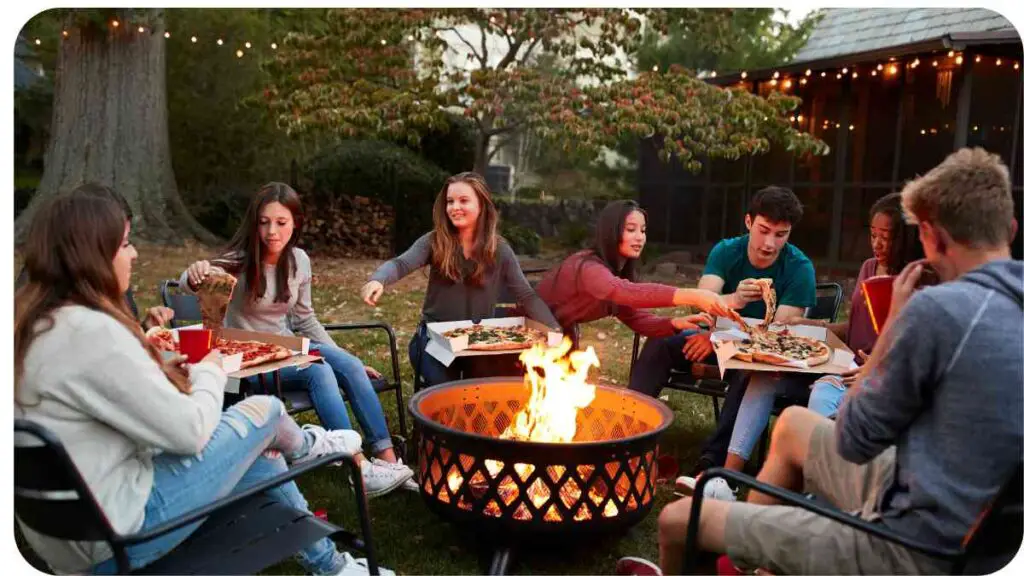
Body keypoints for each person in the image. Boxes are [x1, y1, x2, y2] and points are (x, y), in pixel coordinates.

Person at [623, 147, 1023, 576]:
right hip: (968, 523)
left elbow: (852, 441)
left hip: (908, 539)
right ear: (1011, 228)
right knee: (794, 424)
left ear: (932, 236)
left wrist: (893, 328)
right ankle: (744, 563)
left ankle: (732, 545)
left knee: (676, 520)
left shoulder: (938, 311)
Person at [15, 186, 391, 575]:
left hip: (70, 534)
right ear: (91, 254)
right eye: (125, 243)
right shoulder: (92, 330)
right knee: (265, 412)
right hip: (120, 535)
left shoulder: (33, 325)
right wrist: (211, 367)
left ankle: (333, 565)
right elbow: (191, 432)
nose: (134, 254)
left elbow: (110, 403)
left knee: (263, 457)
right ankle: (311, 446)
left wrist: (158, 366)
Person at [180, 182, 413, 497]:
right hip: (250, 362)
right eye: (264, 222)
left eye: (281, 222)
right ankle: (356, 466)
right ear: (254, 224)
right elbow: (190, 283)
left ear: (295, 224)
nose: (271, 231)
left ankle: (387, 460)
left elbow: (304, 319)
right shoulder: (239, 261)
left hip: (288, 349)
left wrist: (344, 355)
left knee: (349, 364)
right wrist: (194, 273)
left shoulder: (299, 261)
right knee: (319, 370)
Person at [680, 192, 920, 495]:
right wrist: (815, 326)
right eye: (873, 234)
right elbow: (857, 326)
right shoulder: (869, 268)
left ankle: (808, 490)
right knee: (763, 375)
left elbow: (914, 343)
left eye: (886, 236)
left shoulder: (919, 279)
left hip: (867, 374)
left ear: (907, 237)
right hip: (846, 363)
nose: (877, 243)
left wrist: (877, 365)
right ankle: (727, 479)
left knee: (818, 389)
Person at [629, 186, 817, 483]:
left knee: (749, 368)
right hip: (714, 336)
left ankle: (711, 464)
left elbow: (775, 334)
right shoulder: (727, 250)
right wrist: (735, 301)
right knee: (662, 342)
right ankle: (628, 432)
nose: (769, 243)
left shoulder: (799, 267)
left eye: (780, 235)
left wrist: (717, 339)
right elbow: (703, 297)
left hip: (755, 355)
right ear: (748, 222)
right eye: (763, 230)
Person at [361, 172, 561, 387]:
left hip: (478, 343)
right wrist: (378, 280)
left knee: (489, 392)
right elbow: (401, 264)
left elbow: (526, 295)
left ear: (482, 205)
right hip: (435, 341)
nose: (454, 207)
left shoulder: (499, 249)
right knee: (444, 392)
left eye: (463, 200)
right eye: (450, 201)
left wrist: (554, 330)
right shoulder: (434, 241)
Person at [535, 199, 739, 343]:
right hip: (530, 330)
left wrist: (675, 323)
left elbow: (635, 317)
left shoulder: (616, 272)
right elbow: (623, 292)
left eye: (643, 231)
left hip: (561, 334)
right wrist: (692, 295)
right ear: (612, 232)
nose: (640, 237)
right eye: (631, 229)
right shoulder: (589, 268)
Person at [13, 182, 175, 331]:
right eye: (123, 243)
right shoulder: (62, 318)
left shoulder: (101, 288)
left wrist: (145, 328)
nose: (134, 253)